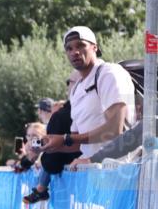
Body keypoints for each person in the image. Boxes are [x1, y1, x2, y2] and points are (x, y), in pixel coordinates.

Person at [37, 27, 136, 162]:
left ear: (95, 47)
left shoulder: (109, 73)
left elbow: (114, 129)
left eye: (81, 45)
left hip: (118, 168)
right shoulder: (76, 89)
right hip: (91, 169)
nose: (74, 52)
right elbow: (79, 143)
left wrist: (66, 138)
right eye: (69, 48)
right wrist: (54, 145)